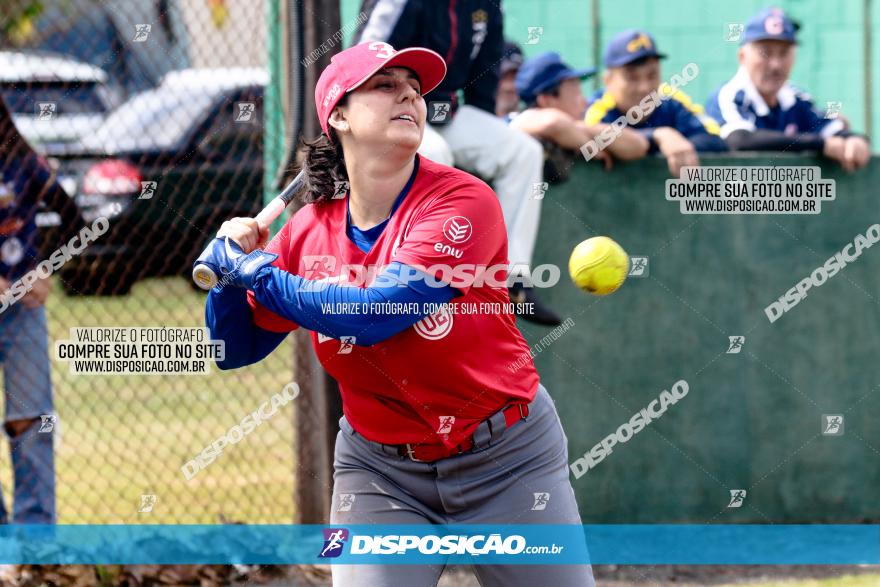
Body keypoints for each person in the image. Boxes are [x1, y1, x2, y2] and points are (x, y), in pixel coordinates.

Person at [199, 42, 595, 587]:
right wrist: (224, 276)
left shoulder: (464, 201)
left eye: (413, 86)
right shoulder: (309, 231)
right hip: (379, 473)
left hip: (507, 459)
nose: (410, 93)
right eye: (385, 85)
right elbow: (233, 349)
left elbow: (379, 313)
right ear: (338, 115)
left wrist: (256, 273)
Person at [354, 0, 561, 326]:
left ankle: (509, 281)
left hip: (444, 112)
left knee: (523, 151)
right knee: (437, 154)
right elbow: (362, 62)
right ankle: (432, 277)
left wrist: (489, 134)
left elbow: (486, 74)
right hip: (391, 113)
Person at [0, 97, 70, 525]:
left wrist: (48, 268)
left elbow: (76, 217)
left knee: (30, 423)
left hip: (21, 311)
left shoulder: (23, 163)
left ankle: (35, 542)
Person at [705, 7, 871, 172]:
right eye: (765, 53)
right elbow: (740, 140)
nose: (775, 65)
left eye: (784, 53)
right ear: (742, 56)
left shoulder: (796, 98)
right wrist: (820, 144)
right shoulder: (729, 95)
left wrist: (855, 140)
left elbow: (831, 130)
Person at [585, 29, 728, 177]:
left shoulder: (672, 101)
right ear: (608, 80)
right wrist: (658, 137)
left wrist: (677, 145)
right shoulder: (598, 109)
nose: (644, 87)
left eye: (652, 75)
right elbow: (593, 142)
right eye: (632, 78)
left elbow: (715, 141)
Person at [510, 51, 649, 176]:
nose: (584, 102)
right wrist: (592, 148)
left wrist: (577, 130)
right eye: (576, 93)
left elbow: (638, 145)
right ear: (547, 100)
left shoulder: (575, 130)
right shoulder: (516, 124)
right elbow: (553, 123)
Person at [496, 41, 525, 117]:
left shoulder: (534, 123)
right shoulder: (471, 123)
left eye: (516, 78)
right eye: (503, 77)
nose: (509, 86)